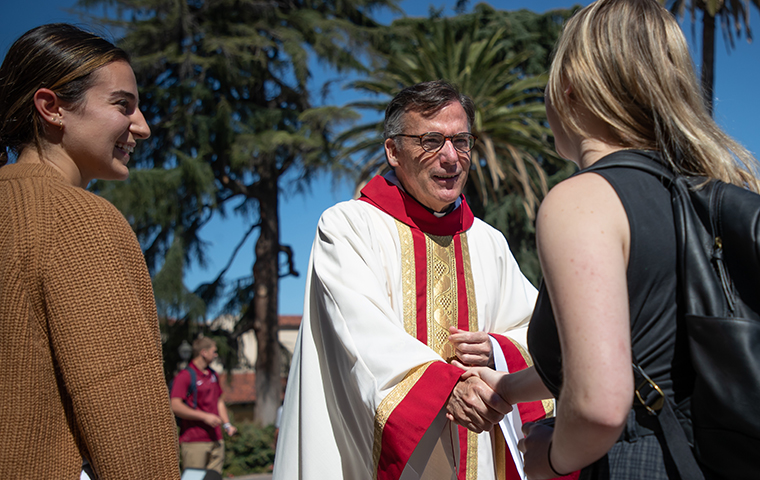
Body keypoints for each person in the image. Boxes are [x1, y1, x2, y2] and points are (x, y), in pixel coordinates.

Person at [459, 1, 760, 479]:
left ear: (571, 91)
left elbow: (600, 404)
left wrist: (552, 457)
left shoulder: (581, 201)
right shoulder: (697, 193)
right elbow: (635, 355)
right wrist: (508, 389)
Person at [273, 80, 550, 480]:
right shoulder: (349, 227)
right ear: (393, 151)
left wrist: (496, 349)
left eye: (462, 141)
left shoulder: (488, 242)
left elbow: (538, 332)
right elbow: (359, 336)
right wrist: (445, 387)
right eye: (431, 140)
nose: (451, 157)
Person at [0, 24, 181, 479]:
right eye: (123, 105)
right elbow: (125, 411)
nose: (142, 126)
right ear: (51, 107)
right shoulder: (78, 219)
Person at [171, 337, 237, 474]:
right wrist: (204, 417)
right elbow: (175, 405)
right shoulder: (185, 376)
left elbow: (219, 401)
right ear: (204, 352)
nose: (216, 355)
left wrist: (227, 424)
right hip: (195, 440)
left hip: (216, 438)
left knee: (214, 477)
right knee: (193, 477)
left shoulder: (213, 375)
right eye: (214, 351)